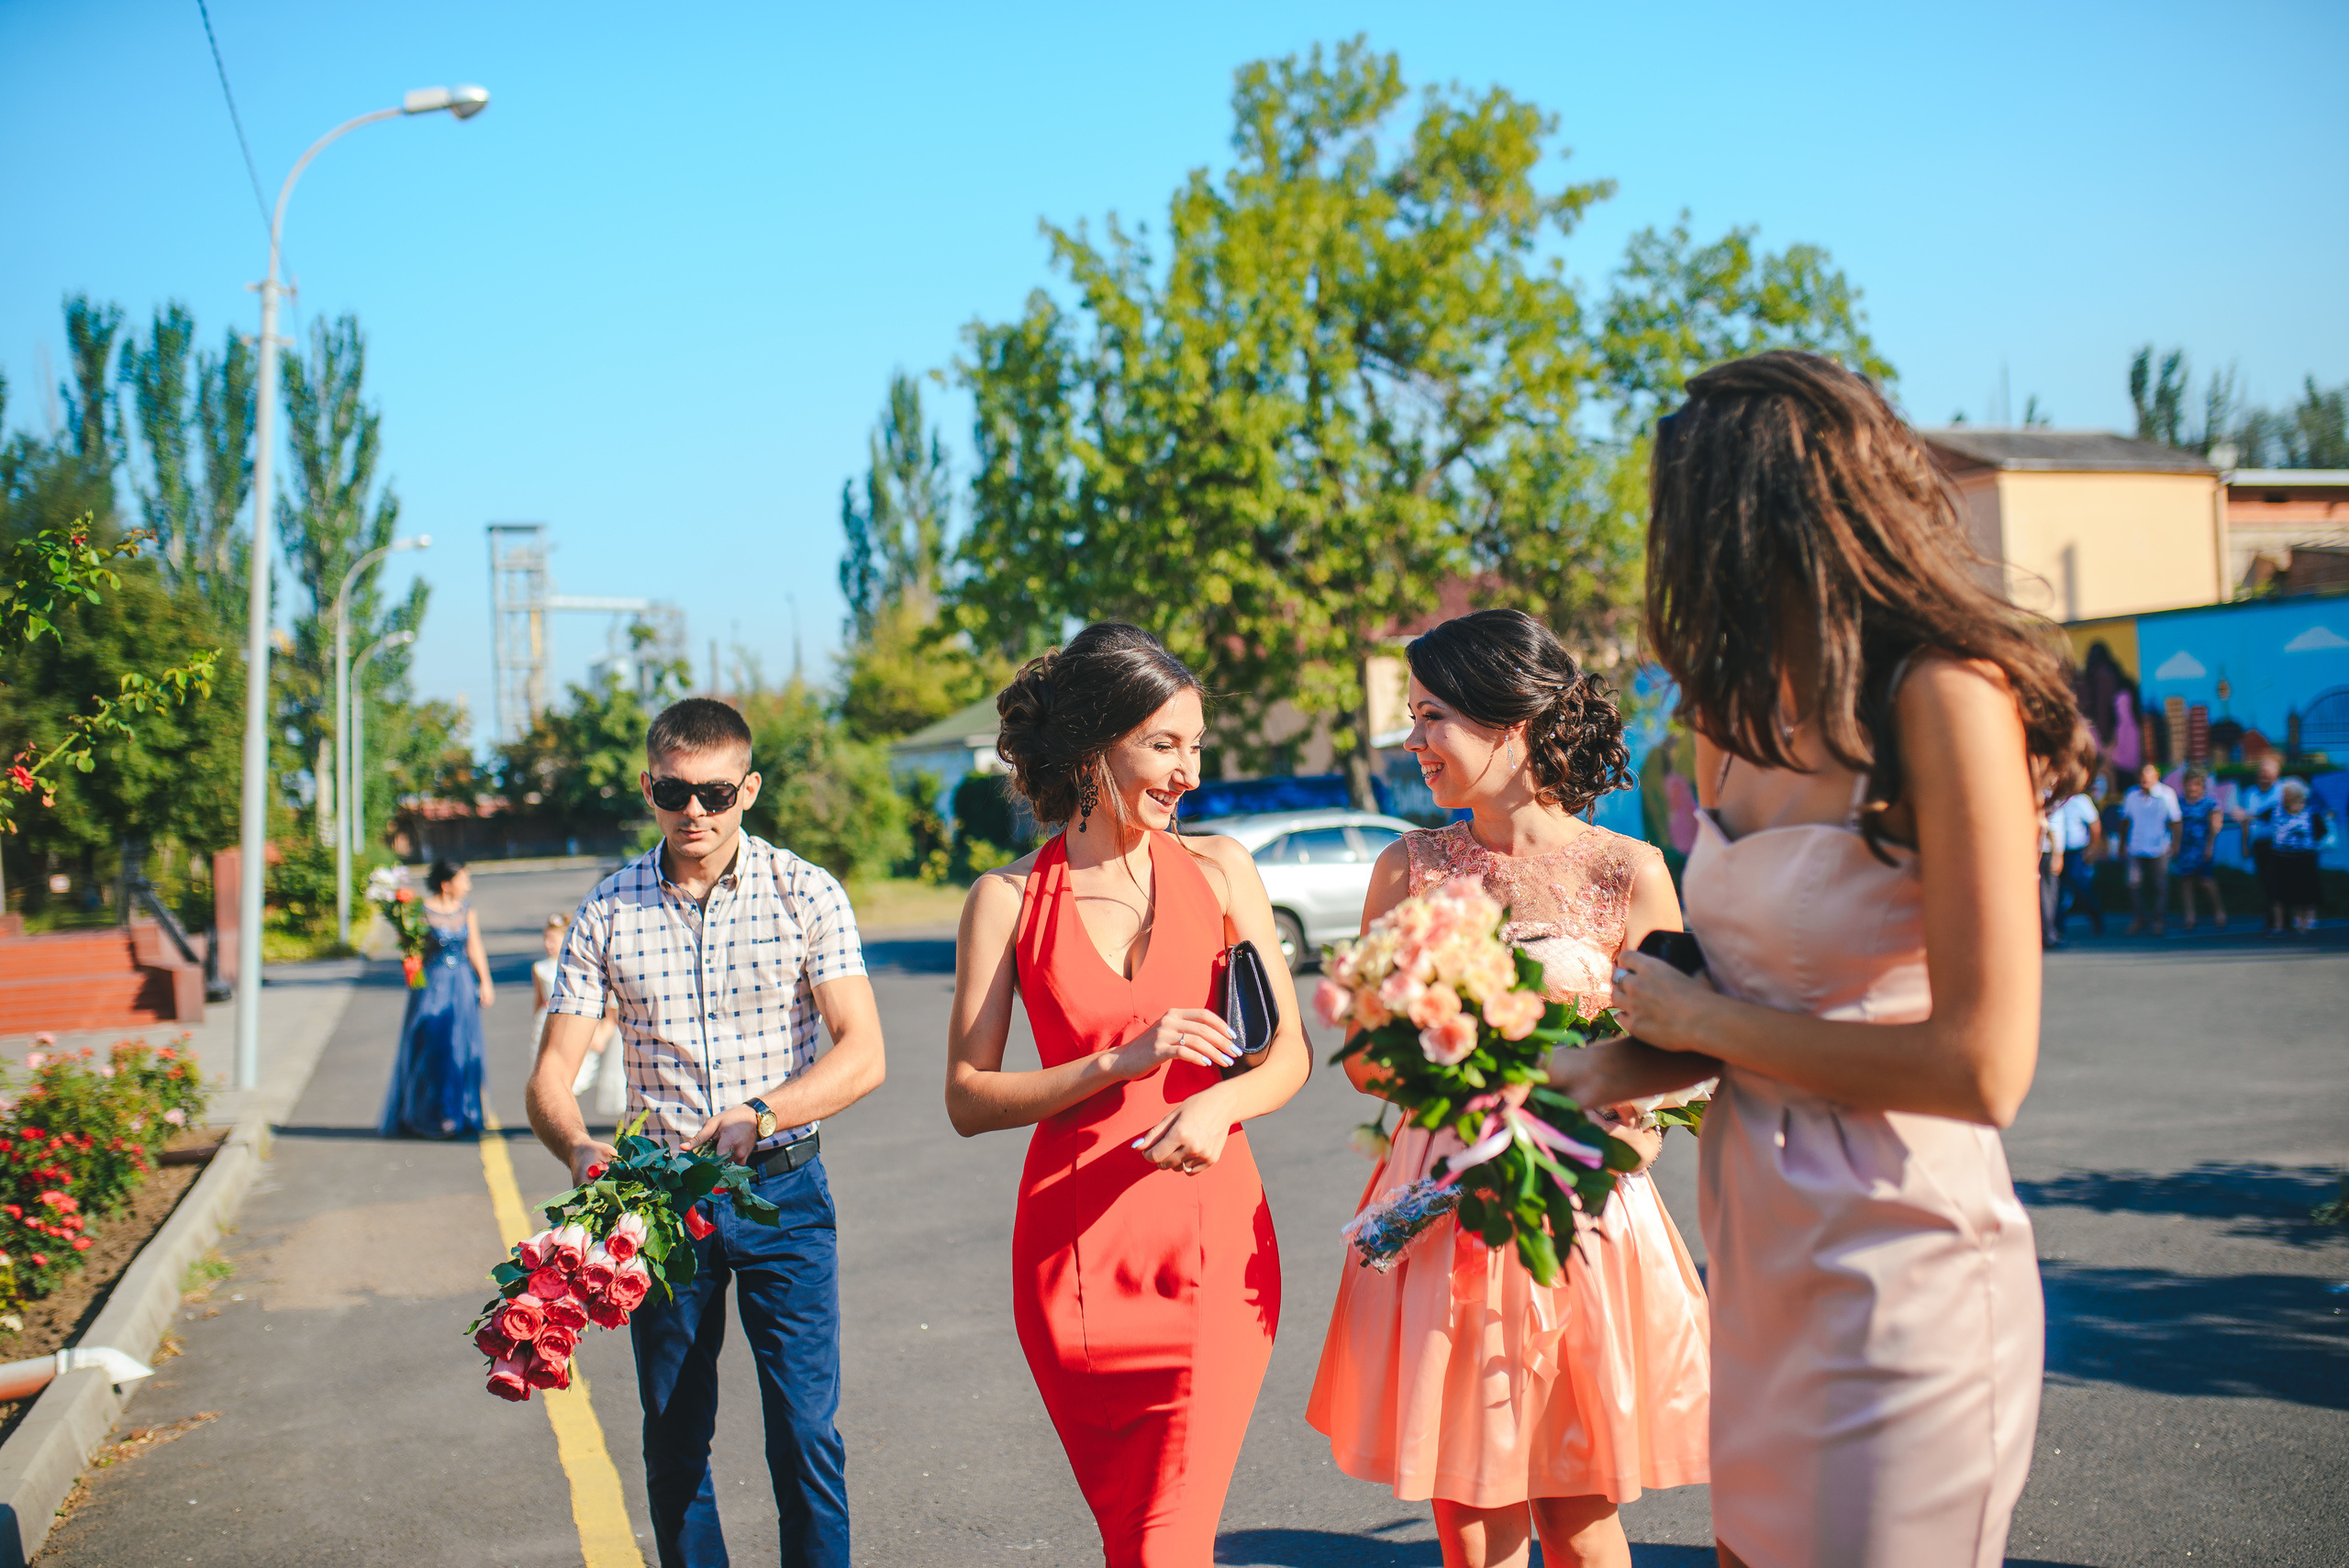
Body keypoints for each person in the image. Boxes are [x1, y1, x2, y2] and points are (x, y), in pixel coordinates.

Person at [1550, 351, 2093, 1568]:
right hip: (1753, 1247)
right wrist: (1586, 1084)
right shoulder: (1728, 719)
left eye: (1684, 520)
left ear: (1761, 521)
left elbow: (1984, 1068)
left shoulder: (1948, 697)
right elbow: (1738, 1001)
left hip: (1901, 1254)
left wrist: (1701, 1028)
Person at [1307, 609, 1709, 1568]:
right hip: (1446, 1204)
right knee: (1471, 1524)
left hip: (1580, 1207)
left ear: (1510, 722)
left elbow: (1670, 1054)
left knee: (1579, 1513)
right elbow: (1364, 1060)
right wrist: (1435, 1064)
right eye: (1412, 715)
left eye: (1431, 715)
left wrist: (1613, 1122)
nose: (1413, 743)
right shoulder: (1407, 867)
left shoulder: (1631, 872)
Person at [945, 623, 1309, 1567]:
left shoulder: (1224, 870)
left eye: (1195, 743)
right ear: (1092, 746)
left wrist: (1218, 1105)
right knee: (1134, 1533)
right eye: (1163, 743)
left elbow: (1289, 1057)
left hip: (1213, 1241)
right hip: (1072, 1259)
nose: (1188, 769)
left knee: (1164, 1540)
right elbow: (968, 1096)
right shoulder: (1006, 900)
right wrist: (1120, 1059)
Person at [527, 697, 887, 1568]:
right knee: (675, 1433)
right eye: (677, 791)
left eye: (717, 793)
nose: (697, 810)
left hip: (781, 1190)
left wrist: (763, 1114)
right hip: (662, 1206)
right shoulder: (608, 909)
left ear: (748, 789)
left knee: (805, 1432)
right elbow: (548, 1079)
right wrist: (579, 1146)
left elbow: (866, 1052)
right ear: (650, 788)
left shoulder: (805, 891)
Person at [377, 857, 491, 1139]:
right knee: (431, 1047)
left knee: (460, 1045)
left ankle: (456, 1113)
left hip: (462, 983)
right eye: (463, 879)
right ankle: (426, 1114)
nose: (468, 885)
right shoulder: (419, 910)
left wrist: (485, 982)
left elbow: (474, 947)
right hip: (432, 985)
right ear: (446, 884)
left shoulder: (467, 910)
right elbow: (411, 949)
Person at [533, 913, 625, 1118]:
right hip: (550, 1023)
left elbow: (607, 1004)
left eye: (554, 940)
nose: (549, 945)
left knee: (579, 1074)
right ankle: (559, 1117)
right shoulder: (540, 968)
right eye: (546, 939)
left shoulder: (579, 965)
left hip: (576, 1024)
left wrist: (600, 1032)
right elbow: (539, 1002)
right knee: (553, 1073)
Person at [2120, 761, 2181, 936]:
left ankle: (2158, 920)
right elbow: (2125, 820)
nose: (2144, 779)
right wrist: (2123, 844)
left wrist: (2175, 844)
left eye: (2148, 776)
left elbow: (2176, 821)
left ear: (2156, 777)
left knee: (2161, 886)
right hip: (2136, 846)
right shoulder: (2131, 795)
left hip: (2159, 847)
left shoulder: (2167, 795)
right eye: (2142, 776)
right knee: (2133, 883)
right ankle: (2139, 918)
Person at [2267, 778, 2331, 935]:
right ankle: (2279, 925)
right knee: (2279, 891)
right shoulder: (2276, 810)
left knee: (2305, 890)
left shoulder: (2311, 812)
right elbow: (2256, 817)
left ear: (2297, 795)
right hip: (2281, 857)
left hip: (2305, 857)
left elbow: (2322, 831)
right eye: (2284, 794)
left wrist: (2307, 843)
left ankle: (2305, 922)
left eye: (2288, 794)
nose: (2285, 797)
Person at [2234, 752, 2288, 934]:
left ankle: (2281, 921)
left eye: (2268, 773)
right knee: (2267, 882)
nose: (2264, 776)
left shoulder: (2283, 791)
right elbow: (2246, 822)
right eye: (2261, 773)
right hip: (2260, 844)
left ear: (2276, 774)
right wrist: (2244, 844)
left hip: (2281, 844)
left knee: (2280, 882)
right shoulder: (2250, 793)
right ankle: (2272, 919)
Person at [2171, 770, 2226, 932]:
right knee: (2186, 881)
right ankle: (2190, 915)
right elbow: (2174, 824)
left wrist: (2209, 846)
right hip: (2185, 848)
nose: (2192, 787)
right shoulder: (2179, 803)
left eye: (2196, 784)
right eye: (2189, 783)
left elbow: (2214, 826)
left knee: (2206, 881)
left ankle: (2219, 911)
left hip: (2202, 847)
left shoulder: (2209, 803)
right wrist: (2175, 844)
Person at [2048, 784, 2102, 937]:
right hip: (2058, 850)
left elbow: (2094, 825)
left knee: (2081, 885)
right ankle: (2058, 928)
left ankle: (2095, 917)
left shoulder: (2080, 800)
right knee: (2057, 889)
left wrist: (2092, 848)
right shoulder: (2054, 800)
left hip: (2076, 851)